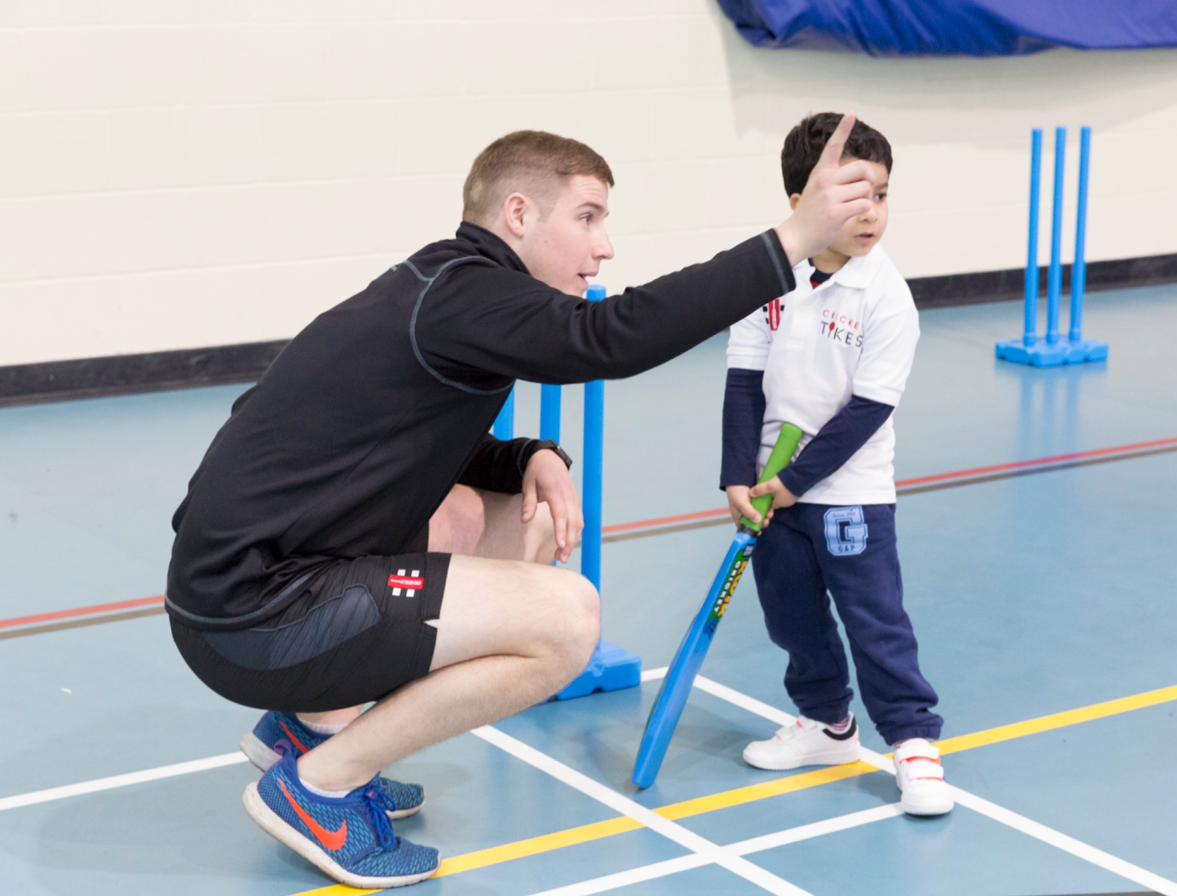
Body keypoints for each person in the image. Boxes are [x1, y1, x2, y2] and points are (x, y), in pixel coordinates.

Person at [166, 114, 882, 888]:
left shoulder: (448, 287)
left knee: (515, 518)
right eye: (587, 218)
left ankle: (313, 728)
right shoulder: (467, 294)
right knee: (567, 621)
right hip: (254, 619)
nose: (604, 245)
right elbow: (612, 338)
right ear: (517, 215)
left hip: (254, 592)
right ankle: (319, 788)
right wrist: (793, 239)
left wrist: (529, 456)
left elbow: (393, 438)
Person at [719, 112, 953, 817]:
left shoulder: (887, 298)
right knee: (791, 618)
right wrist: (739, 476)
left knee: (874, 620)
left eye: (879, 194)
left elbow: (866, 412)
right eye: (852, 196)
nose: (870, 212)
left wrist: (792, 482)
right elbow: (743, 383)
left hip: (849, 494)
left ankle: (913, 743)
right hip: (770, 492)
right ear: (801, 205)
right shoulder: (765, 279)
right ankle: (828, 725)